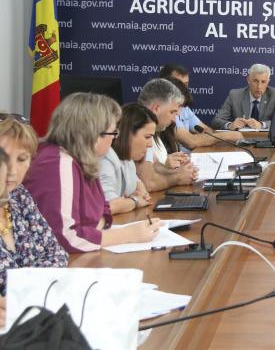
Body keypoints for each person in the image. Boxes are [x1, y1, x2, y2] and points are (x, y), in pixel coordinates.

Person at [23, 93, 164, 253]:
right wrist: (128, 234)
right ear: (93, 134)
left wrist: (95, 227)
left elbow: (102, 211)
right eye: (113, 133)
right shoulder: (58, 162)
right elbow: (66, 237)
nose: (114, 139)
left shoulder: (84, 160)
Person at [0, 117, 68, 298]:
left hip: (36, 307)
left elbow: (56, 254)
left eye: (22, 159)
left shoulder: (19, 195)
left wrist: (27, 295)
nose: (12, 170)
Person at [159, 64, 243, 151]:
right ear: (165, 84)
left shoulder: (184, 107)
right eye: (179, 83)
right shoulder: (166, 110)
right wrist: (226, 135)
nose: (183, 88)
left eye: (186, 84)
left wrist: (216, 137)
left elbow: (205, 129)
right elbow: (190, 141)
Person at [137, 78, 198, 192]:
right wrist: (178, 177)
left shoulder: (151, 127)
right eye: (172, 112)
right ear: (156, 108)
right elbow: (148, 183)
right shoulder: (138, 128)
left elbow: (154, 166)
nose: (174, 119)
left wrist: (178, 171)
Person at [99, 103, 156, 215]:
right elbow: (108, 206)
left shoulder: (128, 159)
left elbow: (138, 185)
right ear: (127, 134)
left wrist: (141, 193)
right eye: (147, 137)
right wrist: (135, 201)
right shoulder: (104, 159)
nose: (150, 144)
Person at [210, 63, 275, 130]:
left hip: (265, 140)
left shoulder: (274, 95)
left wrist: (261, 125)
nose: (259, 86)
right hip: (240, 139)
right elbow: (216, 121)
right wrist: (230, 125)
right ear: (248, 80)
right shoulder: (235, 95)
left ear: (268, 82)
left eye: (263, 82)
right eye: (255, 81)